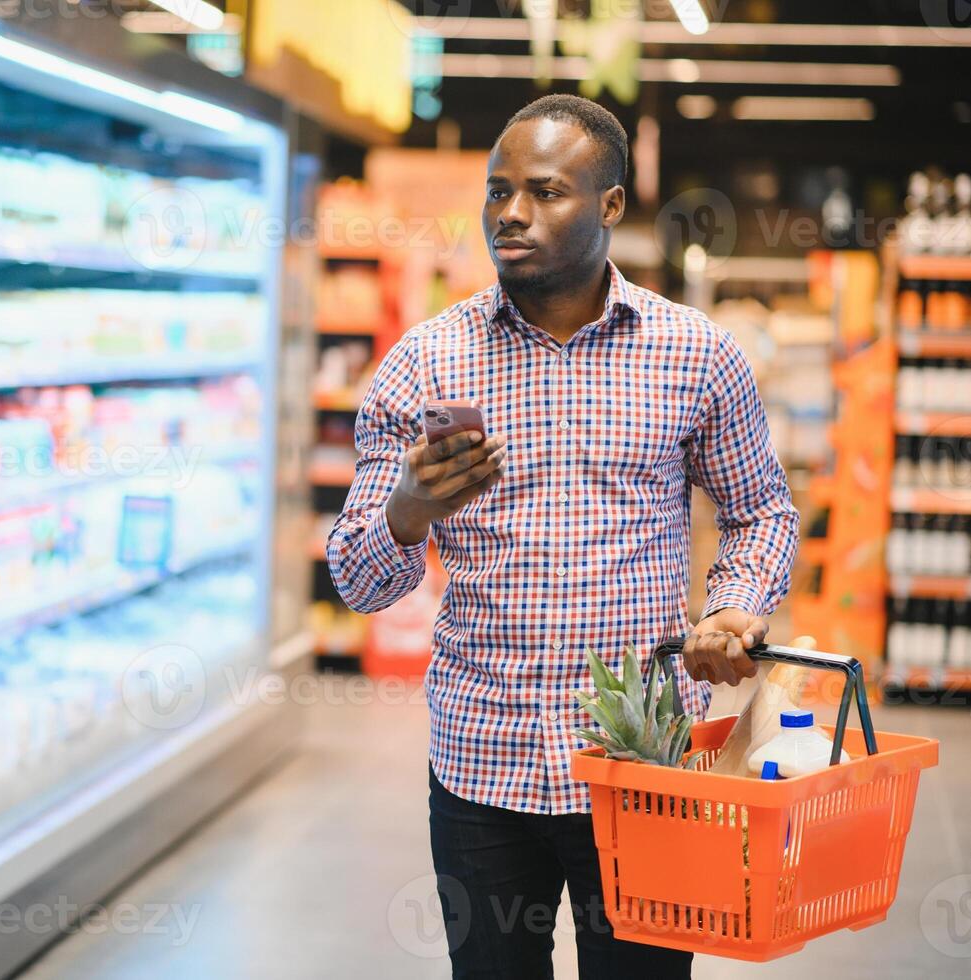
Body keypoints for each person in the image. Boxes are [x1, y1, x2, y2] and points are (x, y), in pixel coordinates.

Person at [325, 94, 799, 979]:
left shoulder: (695, 354)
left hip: (643, 764)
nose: (511, 213)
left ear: (610, 206)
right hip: (480, 767)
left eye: (544, 192)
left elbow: (759, 510)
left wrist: (734, 605)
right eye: (498, 191)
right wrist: (406, 511)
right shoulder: (425, 361)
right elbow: (360, 583)